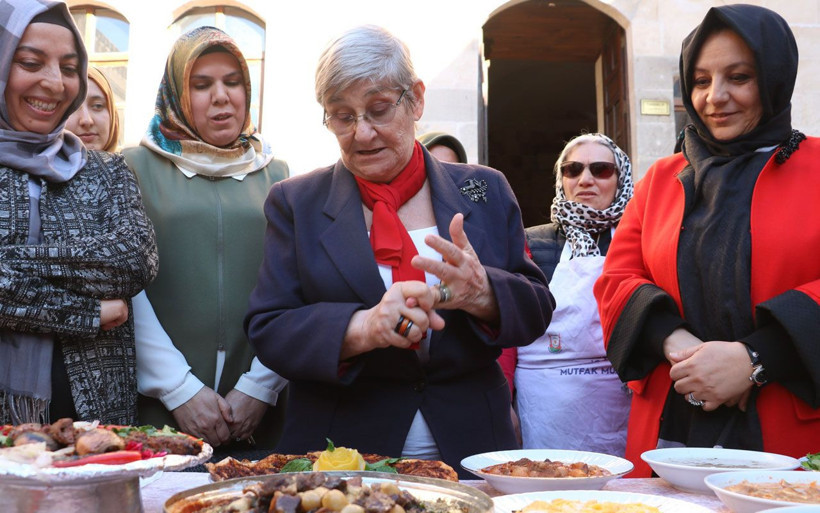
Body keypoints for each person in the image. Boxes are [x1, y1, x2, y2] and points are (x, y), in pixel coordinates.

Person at [244, 25, 553, 476]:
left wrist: (481, 291)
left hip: (472, 450)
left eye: (378, 109)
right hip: (342, 456)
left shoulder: (483, 189)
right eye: (342, 116)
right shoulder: (296, 202)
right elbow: (269, 327)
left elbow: (538, 307)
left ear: (417, 100)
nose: (362, 133)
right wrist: (362, 327)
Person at [594, 4, 820, 477]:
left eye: (739, 76)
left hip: (789, 429)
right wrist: (683, 351)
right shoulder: (660, 179)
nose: (715, 97)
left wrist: (754, 359)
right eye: (700, 81)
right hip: (671, 425)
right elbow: (616, 280)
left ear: (774, 78)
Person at [123, 26, 289, 450]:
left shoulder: (278, 175)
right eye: (202, 84)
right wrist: (178, 389)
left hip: (256, 413)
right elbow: (127, 287)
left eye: (233, 82)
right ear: (177, 92)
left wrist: (260, 387)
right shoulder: (134, 167)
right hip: (162, 409)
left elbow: (297, 289)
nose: (221, 96)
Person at [0, 0, 157, 426]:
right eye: (31, 62)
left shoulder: (104, 170)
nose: (54, 83)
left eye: (69, 68)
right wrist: (88, 314)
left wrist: (8, 265)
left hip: (95, 422)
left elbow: (132, 262)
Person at [507, 133, 633, 455]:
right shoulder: (528, 243)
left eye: (601, 169)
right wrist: (503, 400)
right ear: (561, 179)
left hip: (620, 411)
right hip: (546, 413)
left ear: (620, 179)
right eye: (573, 169)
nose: (585, 179)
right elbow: (508, 327)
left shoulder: (640, 240)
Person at [65, 66, 120, 152]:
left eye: (97, 106)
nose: (87, 120)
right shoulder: (36, 164)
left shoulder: (134, 164)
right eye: (72, 108)